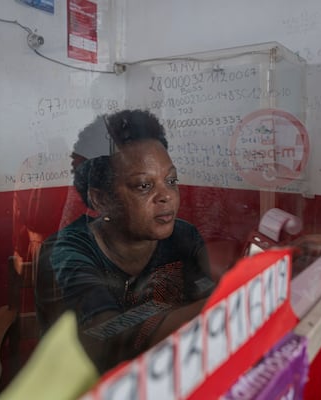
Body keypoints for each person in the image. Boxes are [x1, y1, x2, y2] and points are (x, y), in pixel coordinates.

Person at [34, 109, 215, 374]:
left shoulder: (184, 237)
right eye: (144, 186)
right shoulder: (65, 253)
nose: (166, 196)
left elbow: (205, 298)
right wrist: (223, 302)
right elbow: (109, 344)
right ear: (101, 200)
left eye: (171, 180)